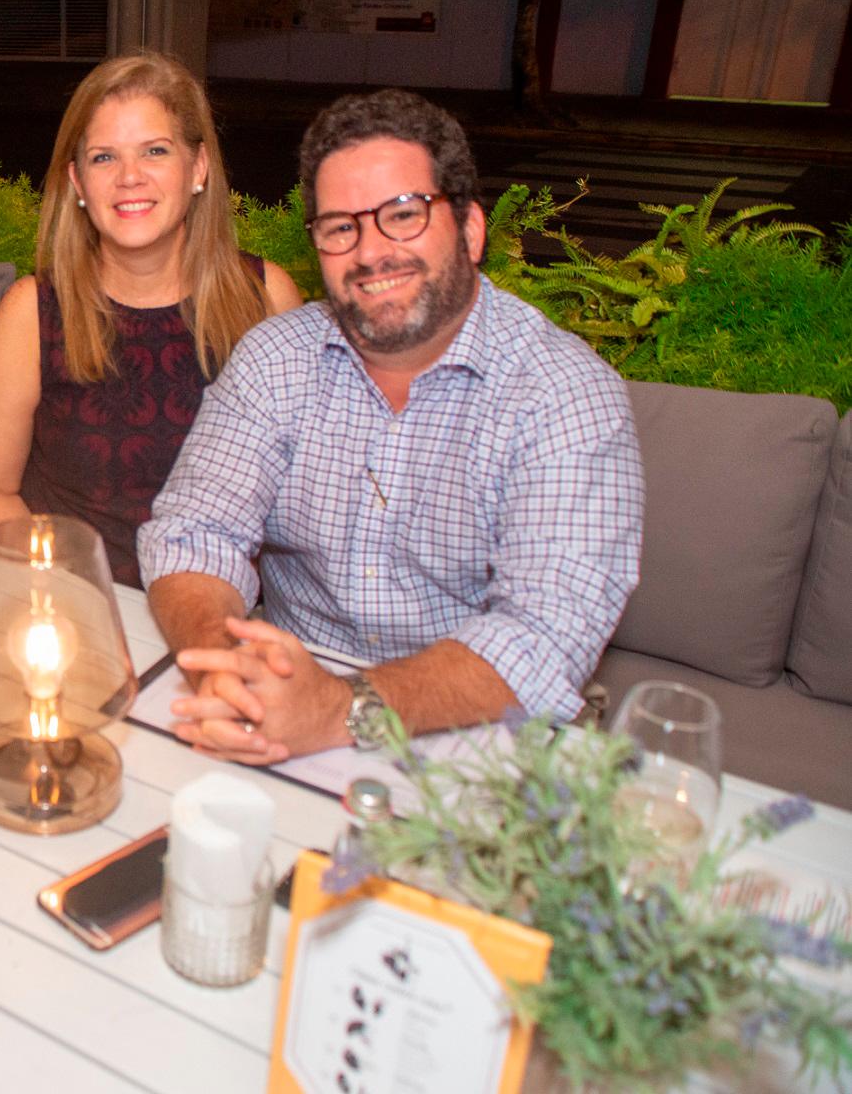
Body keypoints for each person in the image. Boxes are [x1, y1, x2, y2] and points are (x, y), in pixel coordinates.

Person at [138, 89, 645, 763]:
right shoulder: (276, 358)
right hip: (288, 695)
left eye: (403, 214)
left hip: (479, 729)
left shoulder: (565, 396)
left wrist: (340, 709)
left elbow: (544, 636)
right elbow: (192, 533)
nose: (370, 252)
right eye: (341, 226)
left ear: (469, 228)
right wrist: (229, 670)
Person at [0, 51, 301, 587]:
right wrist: (59, 588)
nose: (129, 178)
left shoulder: (266, 300)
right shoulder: (33, 312)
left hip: (224, 616)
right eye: (103, 158)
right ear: (76, 182)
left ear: (199, 167)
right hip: (77, 607)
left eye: (155, 151)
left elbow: (302, 498)